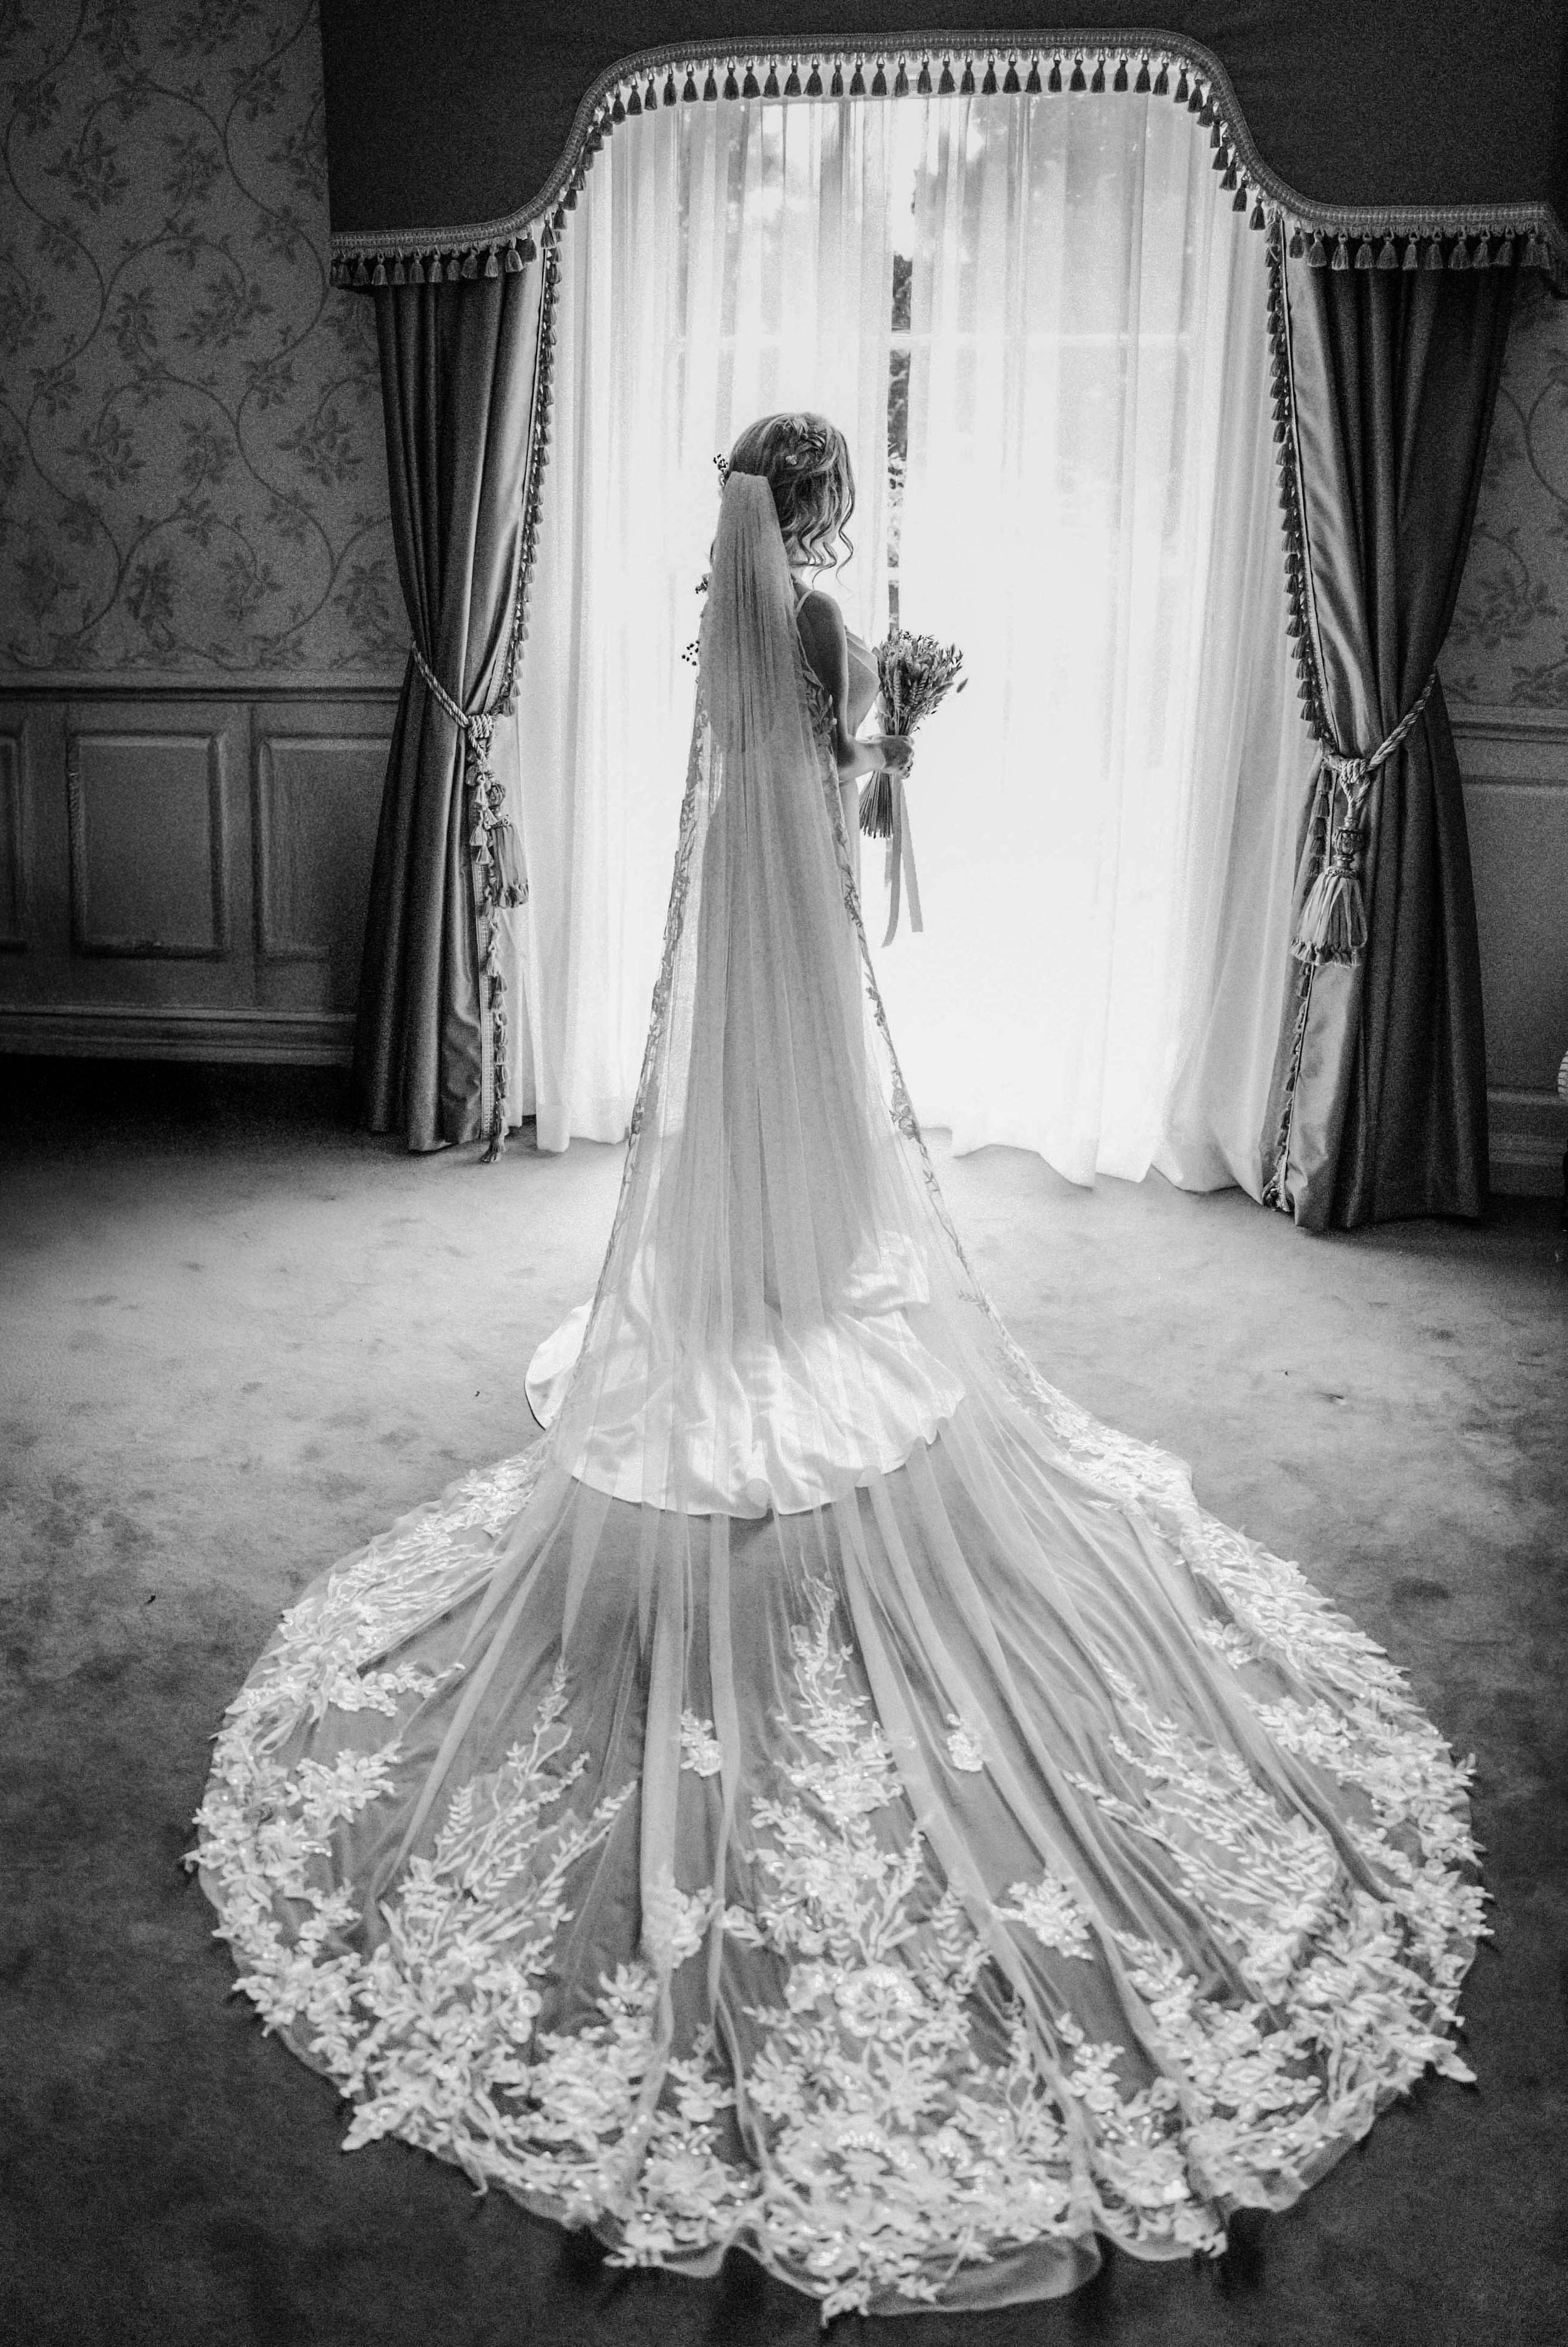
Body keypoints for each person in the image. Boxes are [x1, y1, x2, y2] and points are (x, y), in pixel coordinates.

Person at [193, 411, 1482, 2321]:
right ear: (812, 506)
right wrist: (908, 715)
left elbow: (752, 776)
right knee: (832, 1140)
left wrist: (869, 716)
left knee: (746, 1122)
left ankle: (751, 1273)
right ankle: (797, 1284)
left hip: (735, 920)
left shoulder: (721, 606)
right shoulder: (809, 622)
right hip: (793, 913)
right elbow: (852, 785)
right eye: (832, 501)